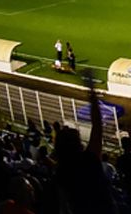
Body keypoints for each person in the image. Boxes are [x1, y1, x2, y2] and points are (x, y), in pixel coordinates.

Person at [53, 70, 117, 214]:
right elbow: (98, 127)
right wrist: (92, 93)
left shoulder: (61, 172)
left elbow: (63, 205)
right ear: (78, 145)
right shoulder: (89, 160)